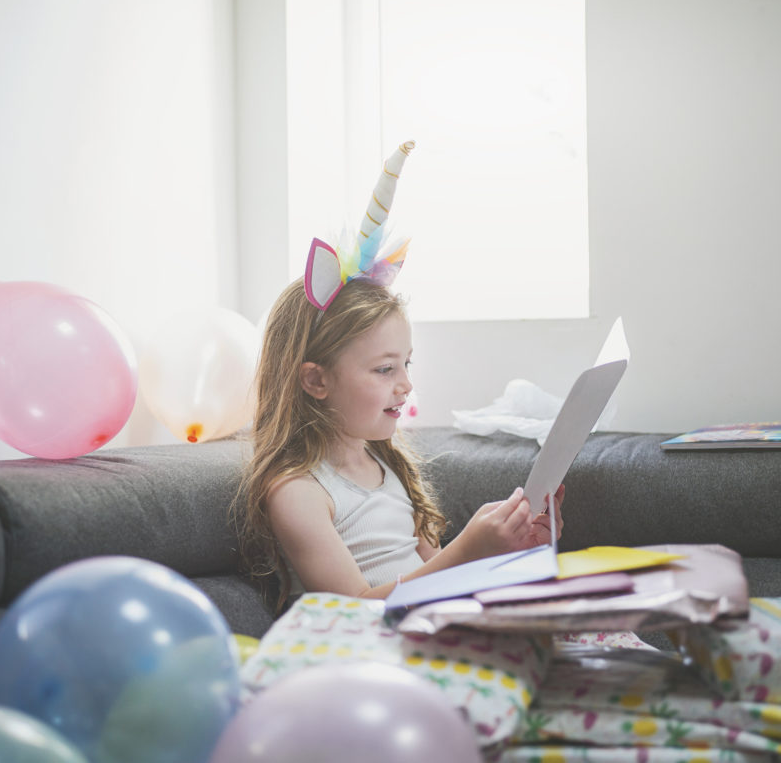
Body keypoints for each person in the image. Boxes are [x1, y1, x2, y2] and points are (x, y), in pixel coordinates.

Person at [236, 141, 562, 610]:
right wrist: (470, 547)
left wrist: (513, 551)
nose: (405, 384)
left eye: (405, 364)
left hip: (434, 627)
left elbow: (441, 581)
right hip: (371, 648)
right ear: (316, 381)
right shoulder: (299, 491)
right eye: (385, 368)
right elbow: (359, 606)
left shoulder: (387, 469)